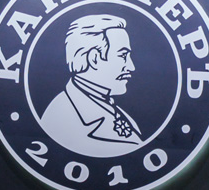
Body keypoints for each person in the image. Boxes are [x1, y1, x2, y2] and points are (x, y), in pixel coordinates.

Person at [39, 14, 144, 156]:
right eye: (123, 55)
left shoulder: (112, 109)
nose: (131, 67)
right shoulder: (59, 116)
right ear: (94, 58)